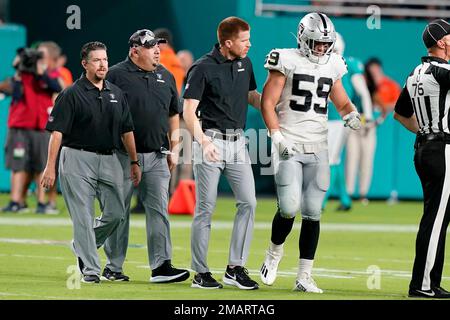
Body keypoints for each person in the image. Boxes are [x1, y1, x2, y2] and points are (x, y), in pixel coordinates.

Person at [259, 12, 361, 293]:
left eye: (325, 44)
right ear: (303, 38)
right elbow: (268, 102)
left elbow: (340, 100)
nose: (321, 48)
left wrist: (350, 113)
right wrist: (276, 135)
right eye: (316, 43)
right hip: (289, 141)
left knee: (313, 211)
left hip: (318, 145)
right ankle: (273, 253)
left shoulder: (334, 63)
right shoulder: (285, 59)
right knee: (290, 206)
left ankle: (304, 276)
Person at [40, 41, 141, 283]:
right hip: (77, 158)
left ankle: (82, 244)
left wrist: (135, 161)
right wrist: (50, 166)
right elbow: (57, 134)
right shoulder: (70, 94)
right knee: (83, 217)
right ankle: (91, 270)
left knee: (117, 214)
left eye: (105, 59)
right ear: (85, 64)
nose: (103, 64)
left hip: (110, 159)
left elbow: (127, 131)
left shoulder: (117, 93)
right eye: (97, 60)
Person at [103, 29, 189, 283]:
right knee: (118, 212)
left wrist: (174, 148)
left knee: (159, 211)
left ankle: (161, 266)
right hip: (121, 156)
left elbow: (174, 114)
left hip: (157, 154)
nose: (156, 50)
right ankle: (113, 266)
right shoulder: (116, 74)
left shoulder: (166, 75)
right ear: (134, 51)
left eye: (157, 46)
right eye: (150, 47)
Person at [183, 16, 261, 290]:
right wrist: (203, 142)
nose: (249, 45)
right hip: (211, 140)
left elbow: (252, 96)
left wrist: (275, 110)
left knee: (249, 202)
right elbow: (188, 111)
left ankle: (234, 268)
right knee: (205, 209)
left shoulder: (246, 62)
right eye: (244, 40)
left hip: (238, 142)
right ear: (227, 43)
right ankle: (200, 273)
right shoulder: (202, 67)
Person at [394, 19, 450, 299]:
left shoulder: (415, 73)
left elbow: (400, 114)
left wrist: (427, 130)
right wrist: (436, 132)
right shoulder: (443, 71)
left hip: (424, 149)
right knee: (437, 218)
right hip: (443, 150)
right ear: (441, 42)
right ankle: (423, 284)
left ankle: (429, 281)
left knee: (436, 216)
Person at [2, 44, 64, 214]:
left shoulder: (48, 77)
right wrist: (18, 68)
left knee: (41, 166)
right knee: (18, 165)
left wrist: (41, 72)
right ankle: (16, 202)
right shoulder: (19, 77)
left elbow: (58, 88)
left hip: (40, 127)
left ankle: (42, 203)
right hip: (20, 127)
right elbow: (9, 91)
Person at [324, 32, 373, 211]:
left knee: (329, 159)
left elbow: (363, 92)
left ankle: (321, 201)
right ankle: (345, 199)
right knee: (333, 160)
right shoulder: (320, 63)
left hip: (339, 117)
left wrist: (367, 116)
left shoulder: (348, 64)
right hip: (323, 116)